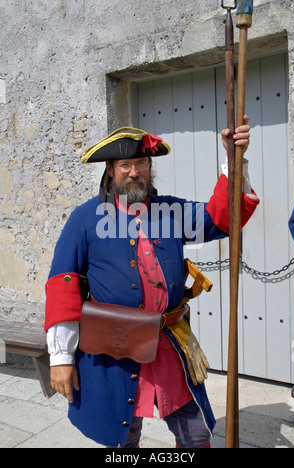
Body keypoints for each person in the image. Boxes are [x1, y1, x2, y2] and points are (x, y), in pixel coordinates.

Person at [44, 118, 259, 448]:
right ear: (110, 171)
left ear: (149, 167)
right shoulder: (86, 219)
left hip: (170, 343)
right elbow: (63, 285)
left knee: (196, 431)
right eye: (125, 165)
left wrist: (234, 160)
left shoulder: (170, 210)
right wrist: (60, 359)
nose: (134, 172)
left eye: (141, 163)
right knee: (123, 436)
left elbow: (222, 217)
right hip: (115, 350)